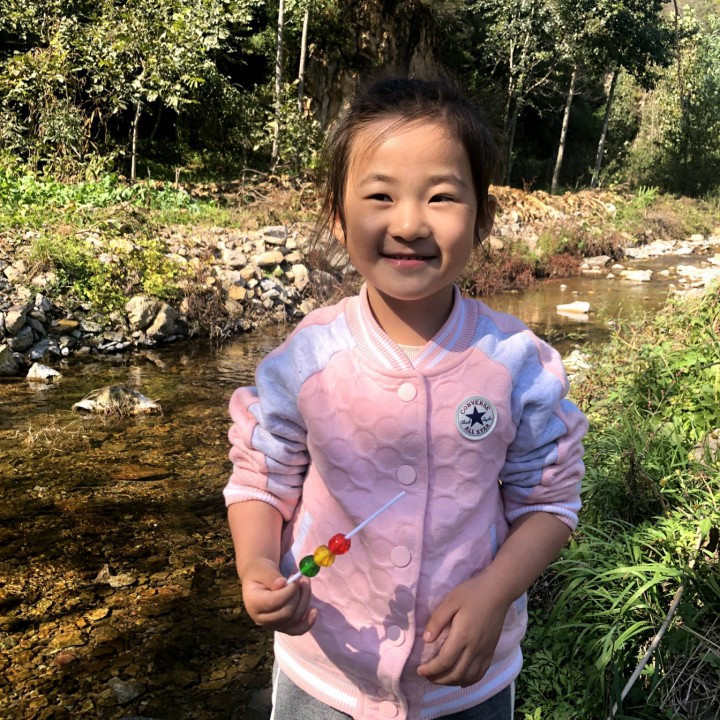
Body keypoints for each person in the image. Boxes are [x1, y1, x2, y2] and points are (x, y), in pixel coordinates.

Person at [224, 76, 588, 720]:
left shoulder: (516, 366)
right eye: (380, 196)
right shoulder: (308, 358)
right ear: (338, 216)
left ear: (482, 219)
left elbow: (549, 502)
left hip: (464, 681)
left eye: (441, 196)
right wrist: (255, 565)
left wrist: (494, 593)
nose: (411, 223)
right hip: (323, 672)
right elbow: (262, 476)